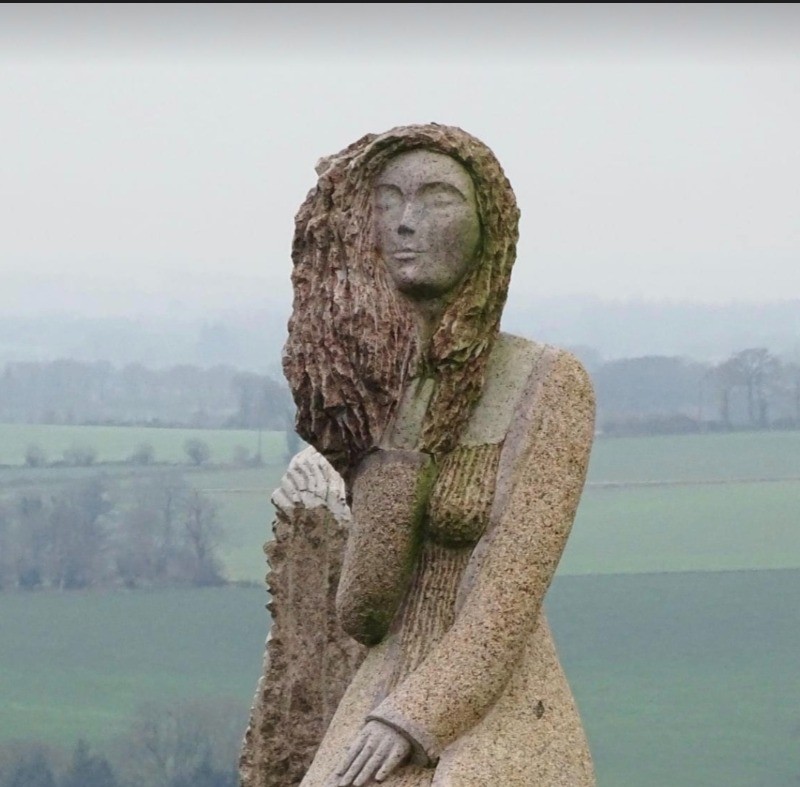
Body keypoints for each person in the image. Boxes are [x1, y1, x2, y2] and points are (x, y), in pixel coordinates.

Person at [283, 124, 596, 786]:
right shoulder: (376, 389)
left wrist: (412, 717)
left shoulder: (548, 382)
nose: (406, 222)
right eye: (389, 199)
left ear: (488, 225)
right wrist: (396, 440)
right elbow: (366, 611)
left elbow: (507, 595)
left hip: (497, 697)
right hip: (382, 677)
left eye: (436, 198)